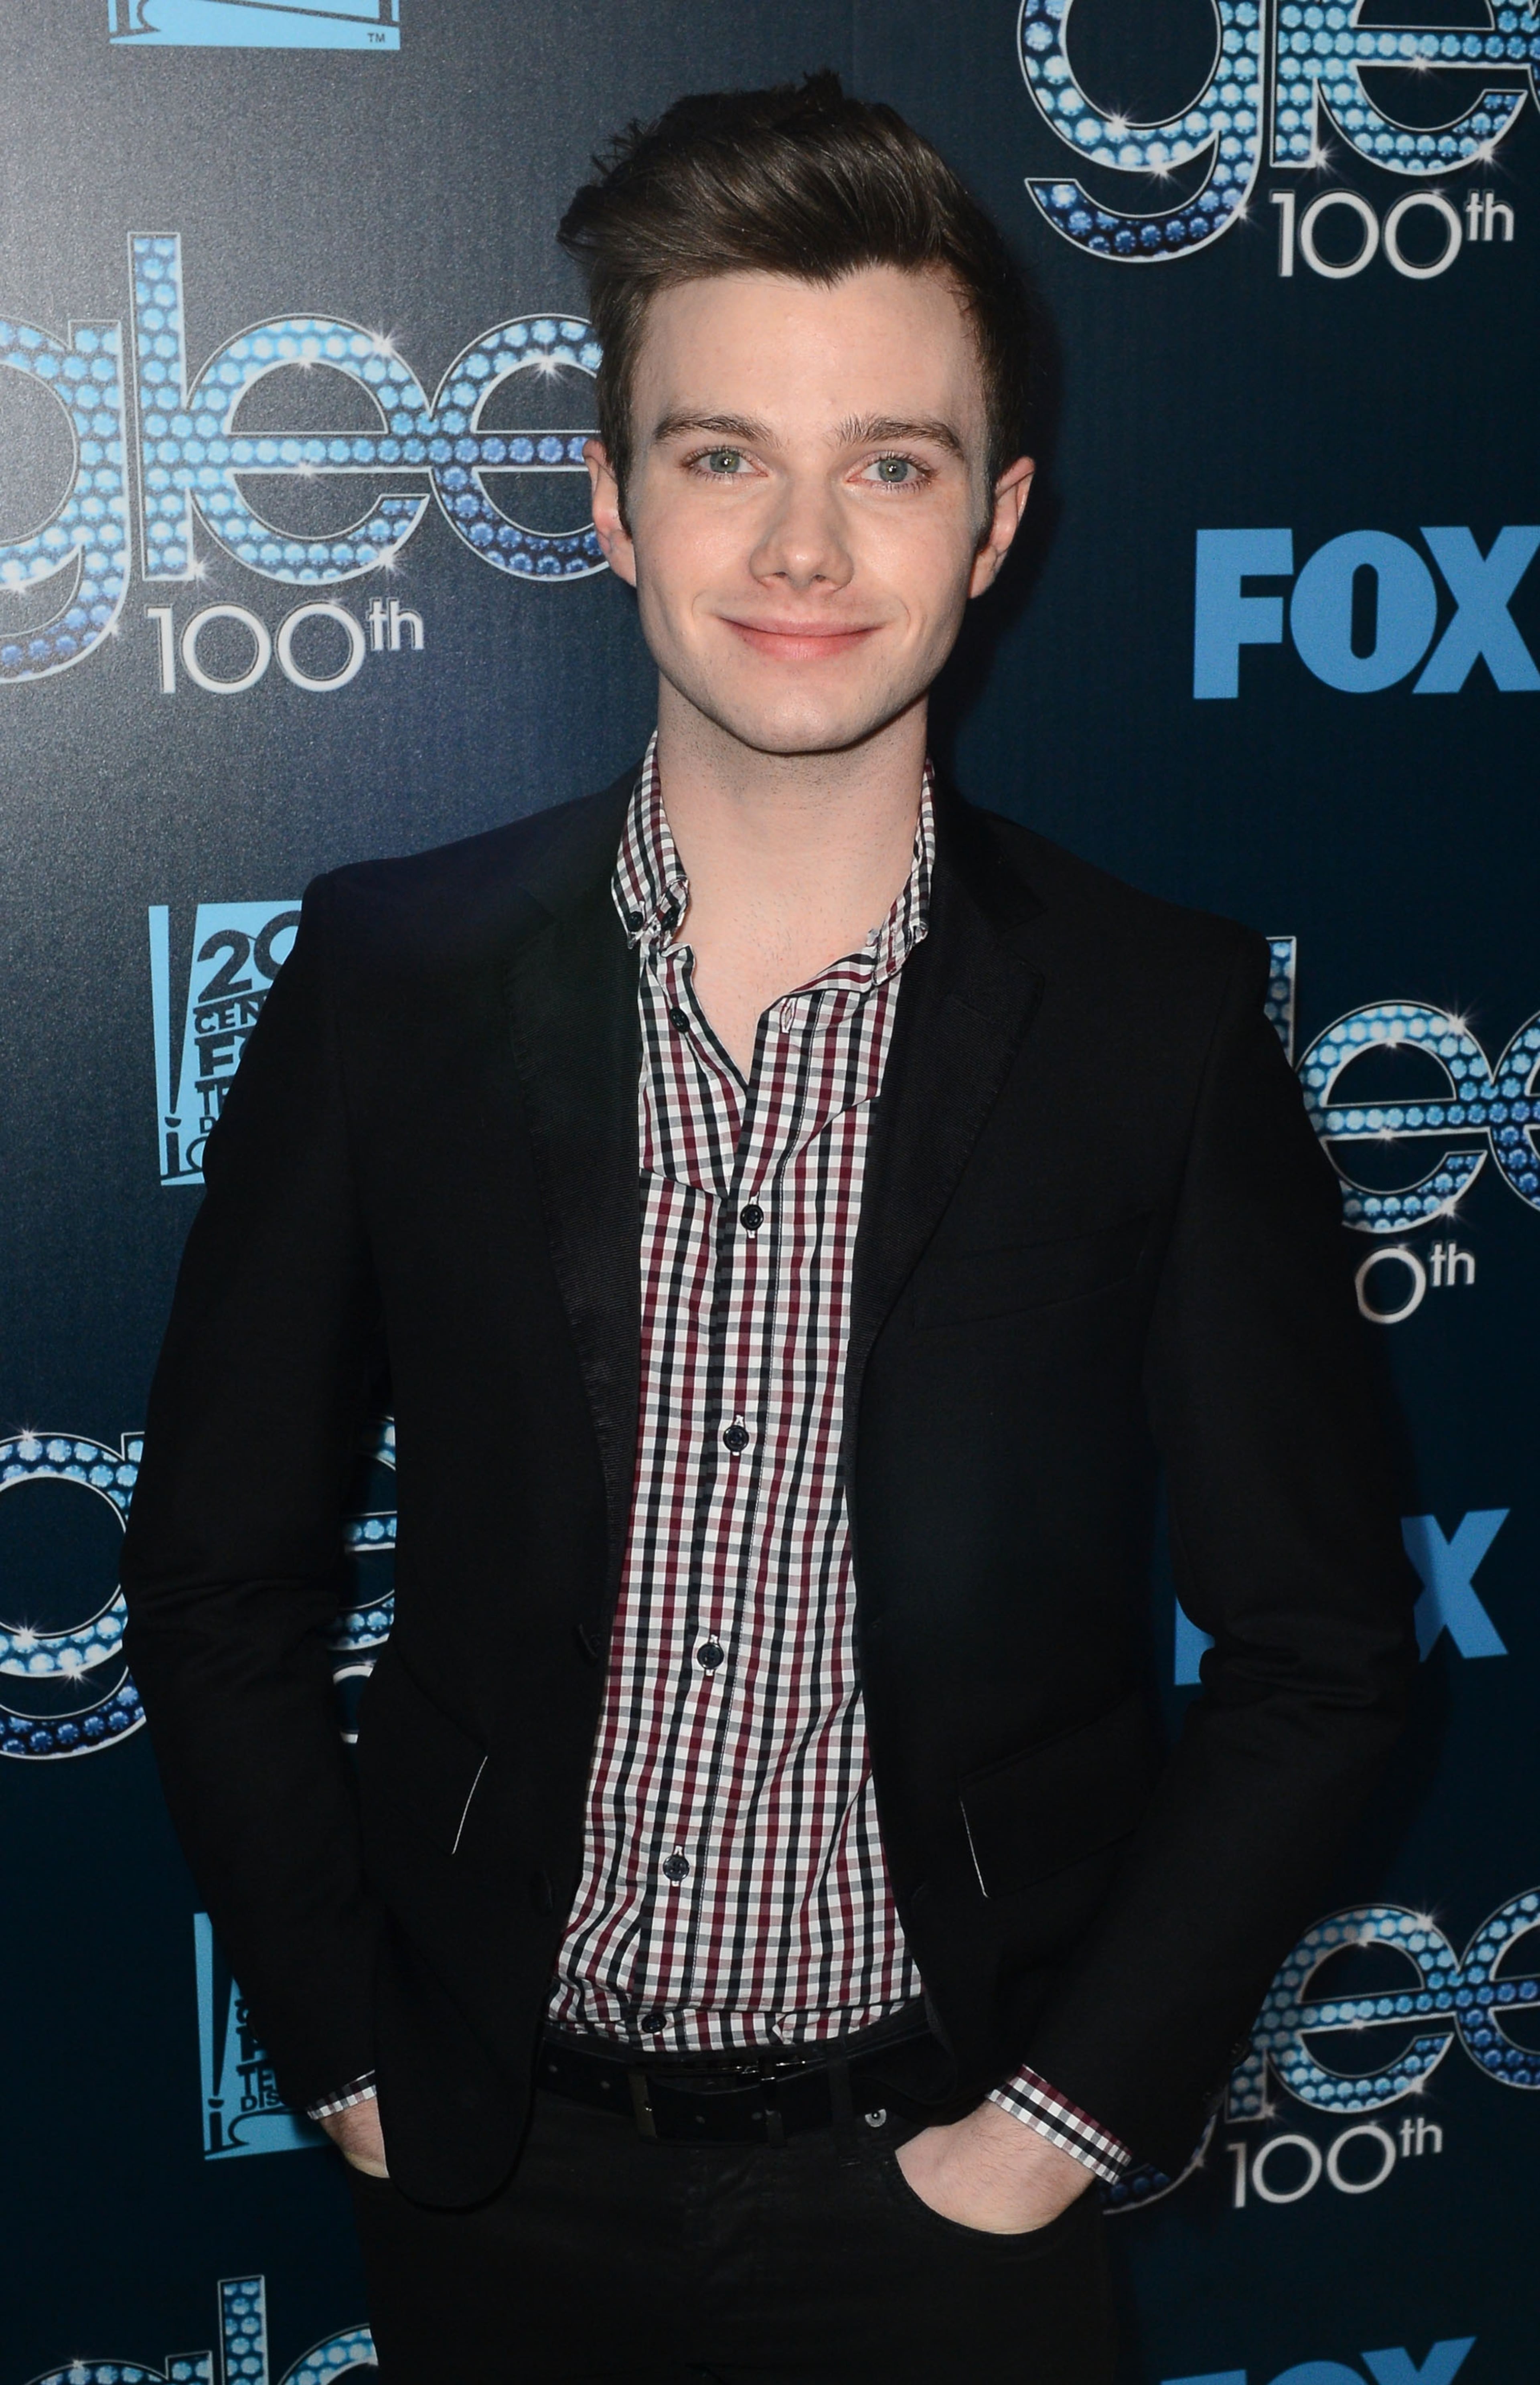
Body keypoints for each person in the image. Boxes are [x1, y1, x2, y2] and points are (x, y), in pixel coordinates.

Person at [121, 72, 1418, 2384]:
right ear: (609, 502)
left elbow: (1320, 1648)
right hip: (492, 2174)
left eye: (890, 466)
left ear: (997, 524)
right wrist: (343, 2046)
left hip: (954, 2195)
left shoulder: (1159, 1020)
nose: (804, 547)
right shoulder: (393, 977)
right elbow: (222, 1567)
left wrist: (1051, 2131)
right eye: (724, 455)